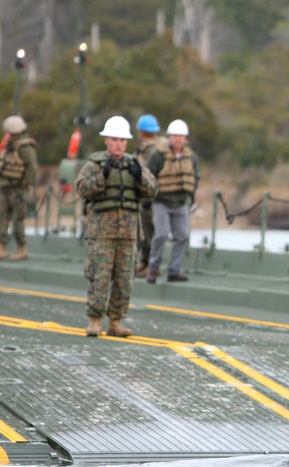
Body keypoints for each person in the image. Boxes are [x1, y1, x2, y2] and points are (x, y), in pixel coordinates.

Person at [75, 116, 156, 338]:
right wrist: (103, 176)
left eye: (122, 140)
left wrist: (140, 178)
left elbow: (152, 190)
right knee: (99, 276)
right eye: (114, 139)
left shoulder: (134, 164)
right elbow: (81, 188)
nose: (118, 144)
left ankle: (116, 321)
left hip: (129, 232)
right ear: (106, 141)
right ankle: (95, 319)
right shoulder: (94, 165)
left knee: (124, 279)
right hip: (102, 231)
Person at [145, 119, 198, 284]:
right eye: (175, 136)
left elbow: (195, 177)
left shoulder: (190, 157)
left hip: (180, 203)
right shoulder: (158, 156)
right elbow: (147, 176)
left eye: (181, 136)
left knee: (182, 236)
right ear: (169, 137)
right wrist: (147, 199)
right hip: (161, 201)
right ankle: (152, 268)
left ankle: (174, 271)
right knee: (161, 234)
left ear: (185, 139)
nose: (178, 139)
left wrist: (191, 196)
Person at [0, 115, 37, 261]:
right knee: (0, 216)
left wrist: (22, 185)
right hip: (3, 187)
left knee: (18, 218)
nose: (6, 134)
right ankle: (1, 247)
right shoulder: (9, 145)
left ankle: (21, 248)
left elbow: (32, 169)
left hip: (17, 189)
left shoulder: (25, 147)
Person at [133, 114, 162, 278]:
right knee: (145, 233)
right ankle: (145, 262)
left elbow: (148, 174)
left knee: (149, 233)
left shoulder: (153, 151)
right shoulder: (148, 149)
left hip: (150, 198)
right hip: (147, 197)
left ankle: (152, 265)